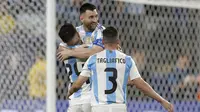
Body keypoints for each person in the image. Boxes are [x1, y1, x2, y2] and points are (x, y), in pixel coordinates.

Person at [67, 27, 174, 112]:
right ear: (118, 41)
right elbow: (141, 85)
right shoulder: (126, 59)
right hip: (119, 108)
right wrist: (162, 100)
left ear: (103, 41)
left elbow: (77, 85)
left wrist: (70, 92)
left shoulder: (93, 59)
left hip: (99, 108)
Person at [58, 23, 91, 112]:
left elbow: (61, 48)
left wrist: (70, 52)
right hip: (90, 96)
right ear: (77, 33)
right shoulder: (86, 48)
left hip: (74, 99)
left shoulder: (63, 50)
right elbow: (90, 52)